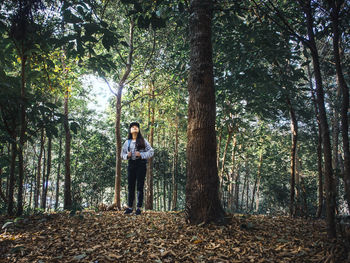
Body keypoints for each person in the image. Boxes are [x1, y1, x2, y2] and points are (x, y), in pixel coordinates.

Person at [121, 121, 154, 215]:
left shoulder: (143, 141)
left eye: (136, 127)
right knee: (131, 186)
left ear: (139, 130)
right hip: (131, 164)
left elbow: (151, 151)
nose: (134, 128)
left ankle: (139, 208)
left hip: (141, 165)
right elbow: (121, 154)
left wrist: (142, 154)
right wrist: (127, 155)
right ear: (130, 130)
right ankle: (130, 207)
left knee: (140, 186)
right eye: (132, 127)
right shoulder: (127, 142)